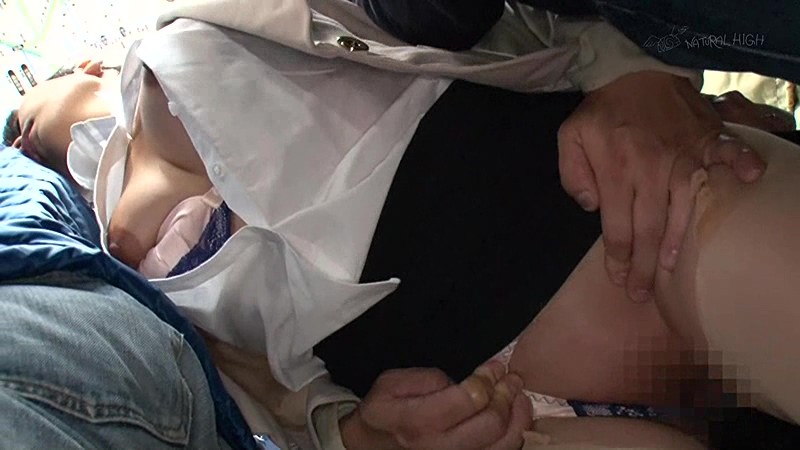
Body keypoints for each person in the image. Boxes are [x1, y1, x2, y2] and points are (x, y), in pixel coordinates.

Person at [4, 1, 799, 449]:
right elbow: (264, 401)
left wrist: (637, 73)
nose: (19, 132)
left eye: (18, 113)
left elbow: (498, 15)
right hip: (505, 415)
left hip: (613, 211)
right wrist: (351, 434)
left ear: (86, 66)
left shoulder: (191, 27)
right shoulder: (81, 249)